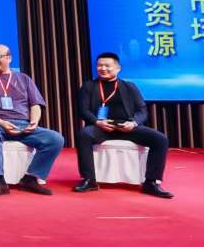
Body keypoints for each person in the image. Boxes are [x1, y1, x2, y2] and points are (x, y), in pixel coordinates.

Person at [73, 53, 174, 198]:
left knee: (160, 139)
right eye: (99, 65)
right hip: (101, 127)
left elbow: (142, 110)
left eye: (107, 65)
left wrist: (133, 123)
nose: (103, 68)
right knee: (84, 135)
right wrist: (97, 121)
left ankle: (151, 182)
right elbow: (83, 111)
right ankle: (89, 180)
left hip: (127, 127)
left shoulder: (129, 86)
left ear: (118, 68)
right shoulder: (88, 86)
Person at [0, 44, 65, 196]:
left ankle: (30, 179)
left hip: (22, 125)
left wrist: (34, 122)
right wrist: (1, 123)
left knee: (55, 139)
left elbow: (35, 104)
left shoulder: (24, 79)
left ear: (9, 58)